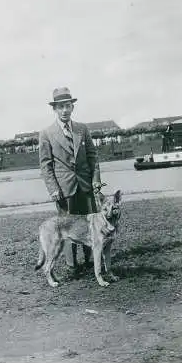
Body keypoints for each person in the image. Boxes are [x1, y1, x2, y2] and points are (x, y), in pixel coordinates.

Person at [39, 87, 102, 278]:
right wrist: (53, 189)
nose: (64, 110)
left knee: (90, 225)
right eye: (60, 107)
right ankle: (72, 265)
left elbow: (93, 156)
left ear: (72, 107)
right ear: (54, 109)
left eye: (67, 106)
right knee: (67, 227)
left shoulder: (82, 129)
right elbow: (45, 165)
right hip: (64, 190)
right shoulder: (46, 133)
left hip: (86, 186)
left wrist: (96, 180)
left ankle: (90, 261)